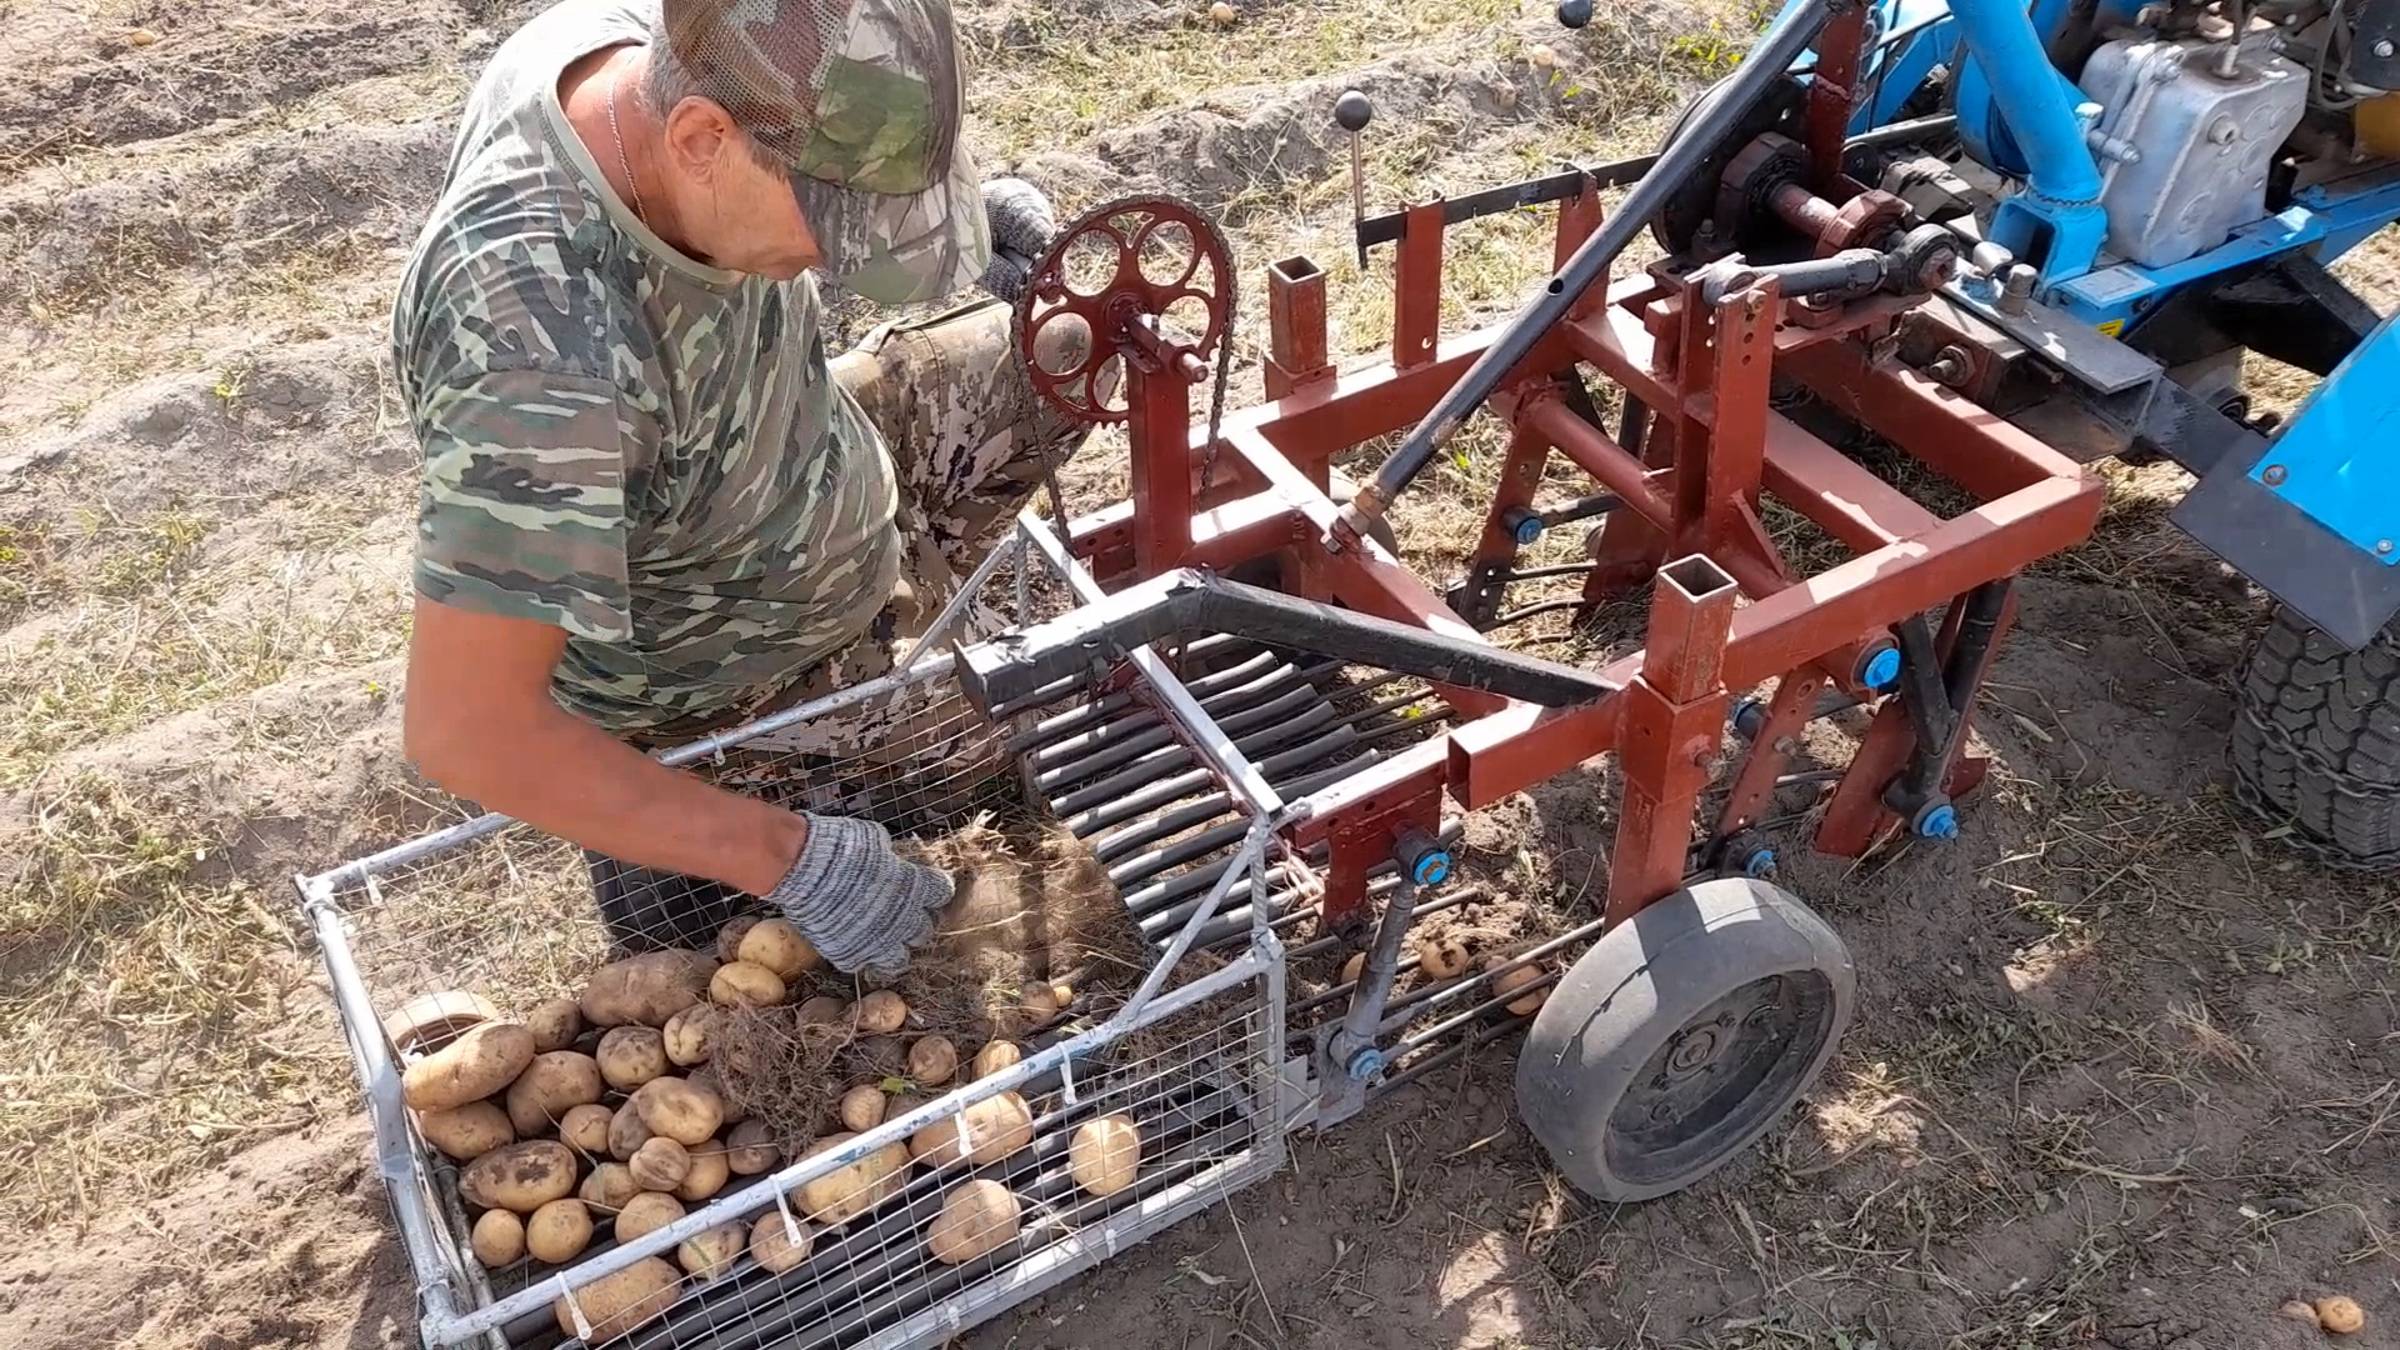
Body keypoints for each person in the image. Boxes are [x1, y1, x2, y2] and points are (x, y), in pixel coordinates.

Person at [390, 0, 1089, 974]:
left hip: (786, 433)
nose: (838, 257)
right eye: (836, 227)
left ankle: (905, 584)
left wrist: (960, 226)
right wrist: (788, 858)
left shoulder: (656, 36)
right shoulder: (541, 360)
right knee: (1050, 725)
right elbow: (470, 730)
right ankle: (699, 844)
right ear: (700, 138)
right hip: (725, 664)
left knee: (1072, 352)